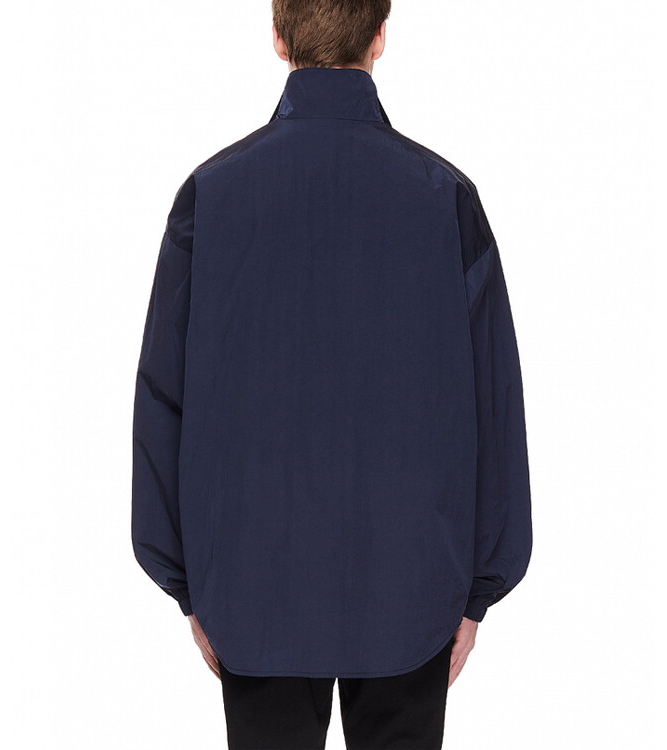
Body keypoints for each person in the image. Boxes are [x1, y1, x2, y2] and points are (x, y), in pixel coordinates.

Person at [131, 1, 533, 747]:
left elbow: (163, 400)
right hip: (413, 586)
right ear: (381, 36)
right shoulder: (445, 197)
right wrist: (479, 590)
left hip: (253, 585)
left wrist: (187, 584)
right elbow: (494, 403)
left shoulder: (210, 196)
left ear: (277, 37)